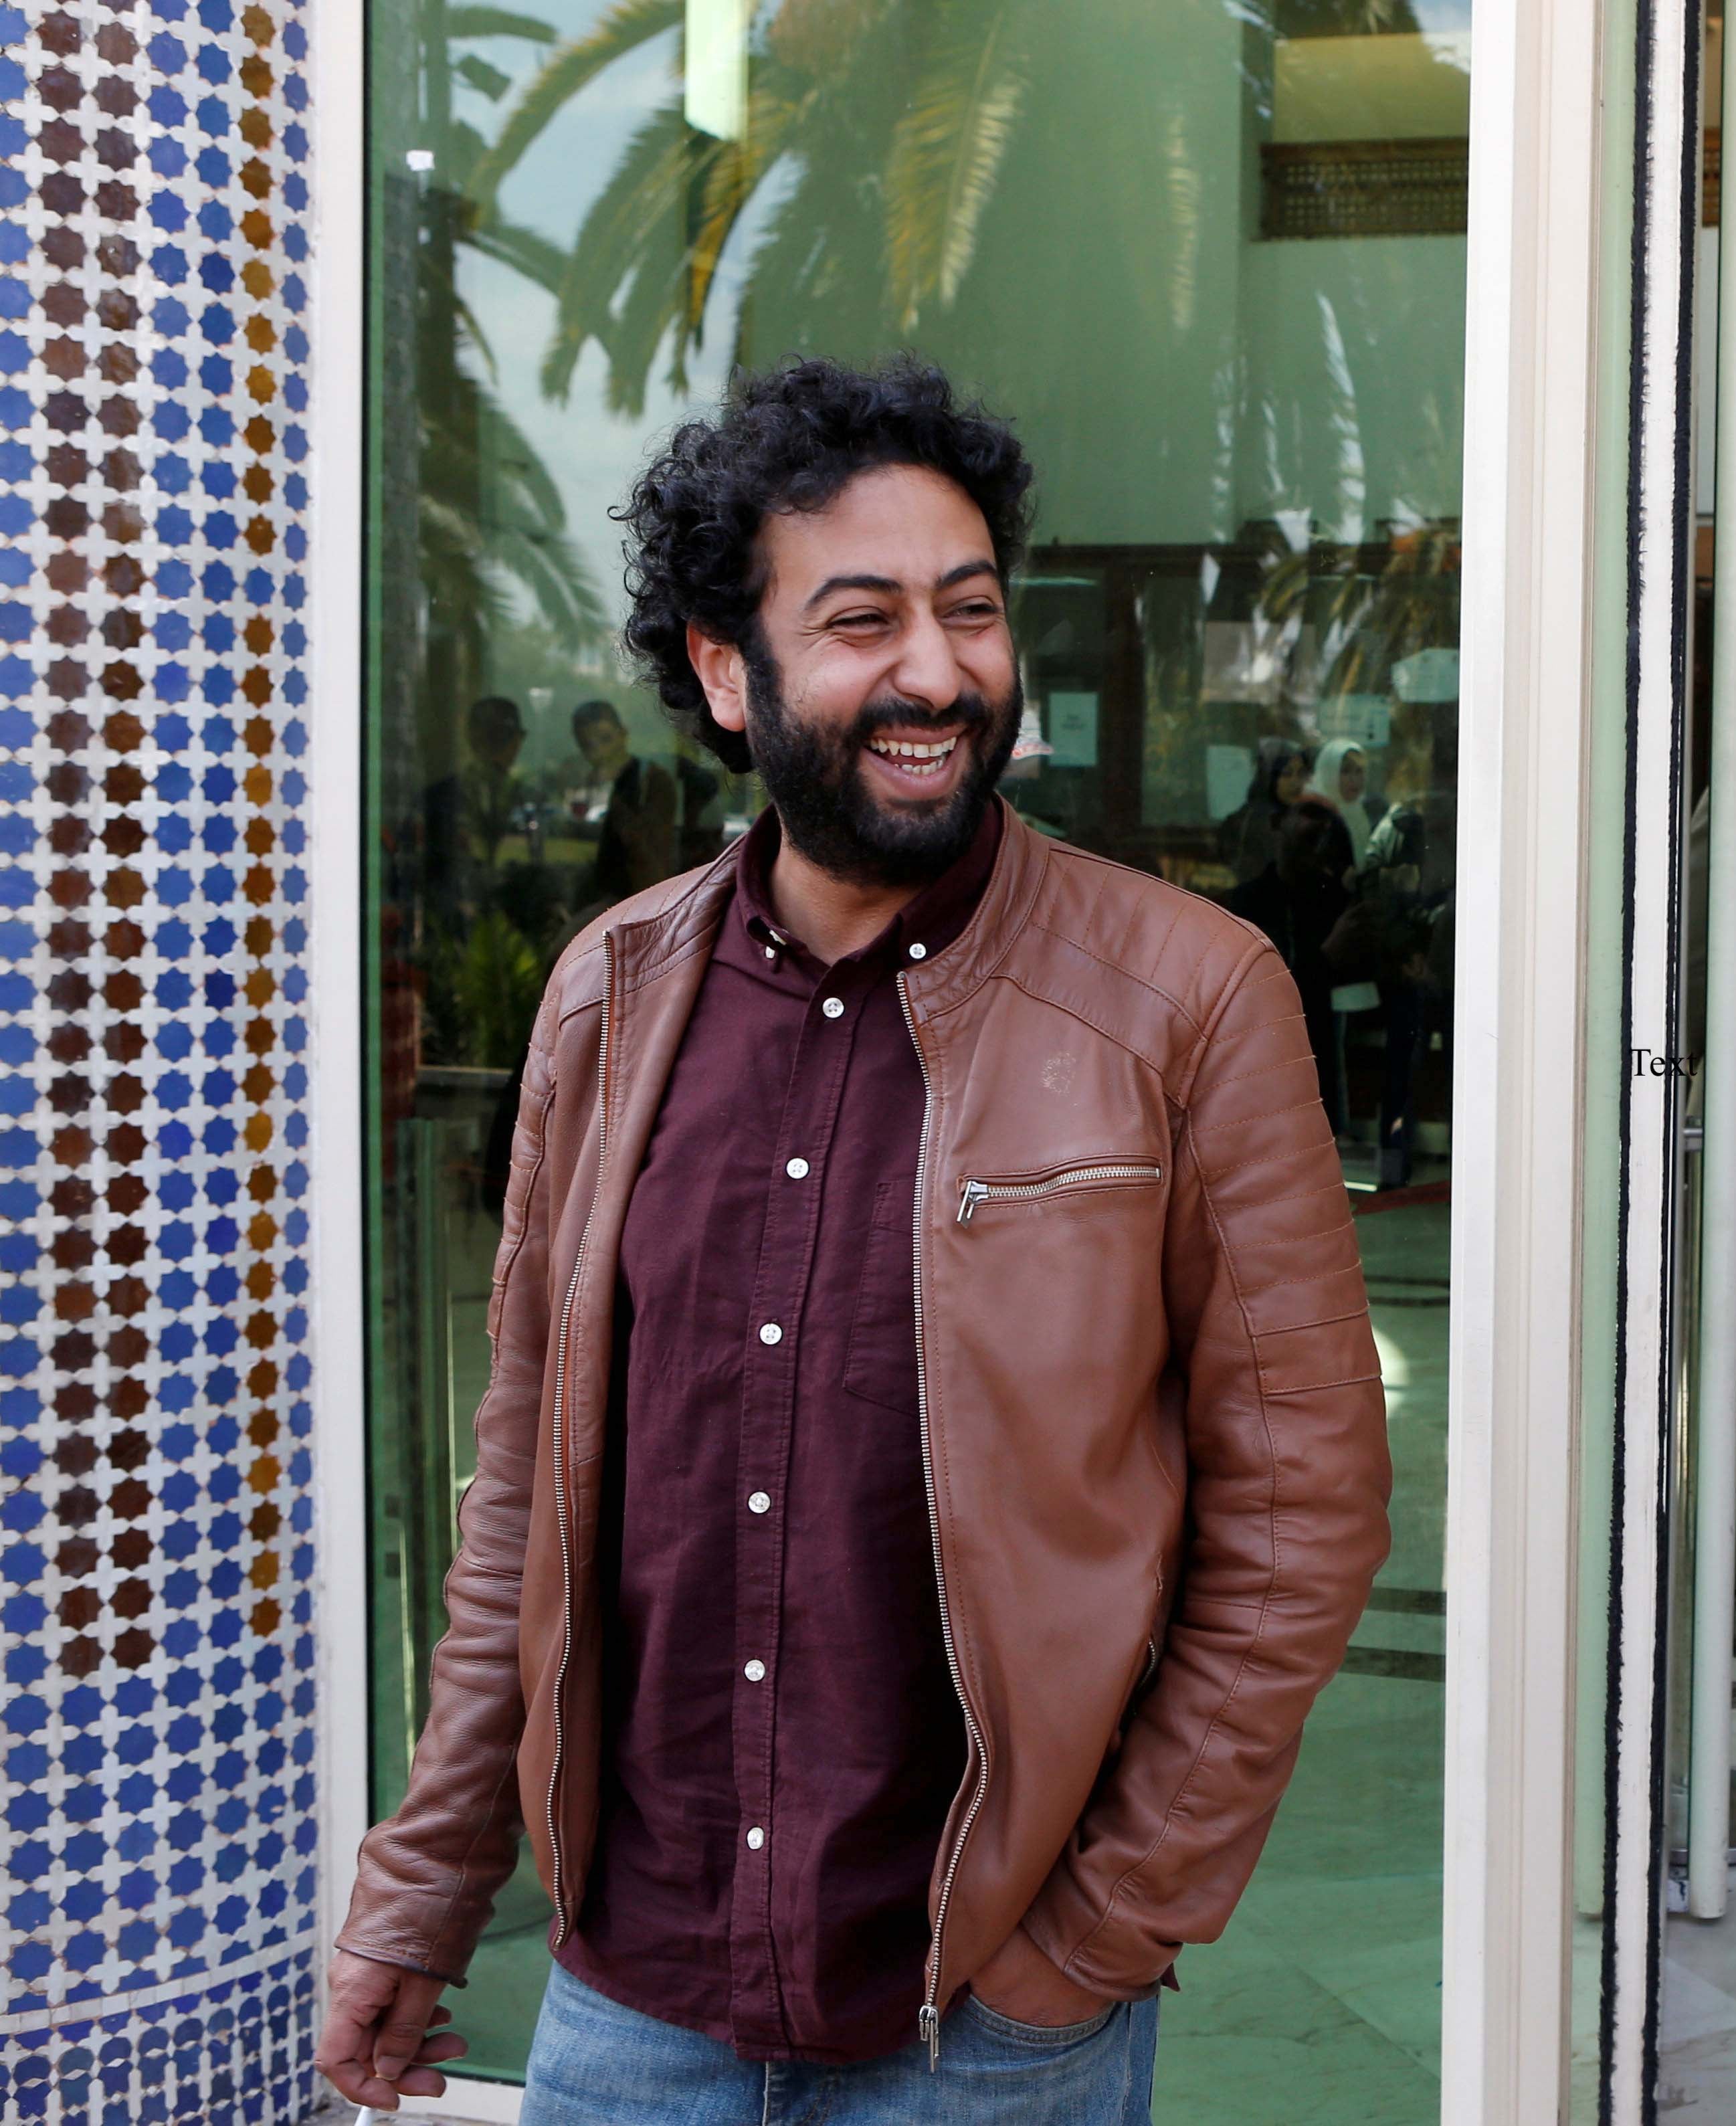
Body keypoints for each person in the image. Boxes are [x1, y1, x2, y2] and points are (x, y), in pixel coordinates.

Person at [318, 358, 1391, 2124]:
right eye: (862, 618)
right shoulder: (608, 996)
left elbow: (1300, 1509)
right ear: (725, 674)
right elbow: (525, 1493)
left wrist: (1095, 1937)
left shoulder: (1185, 998)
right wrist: (424, 1890)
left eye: (970, 612)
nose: (935, 672)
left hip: (984, 2024)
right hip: (630, 2008)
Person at [1216, 735, 1309, 883]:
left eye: (1301, 773)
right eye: (1287, 774)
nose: (1295, 783)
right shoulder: (1261, 820)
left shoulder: (1292, 815)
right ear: (1269, 776)